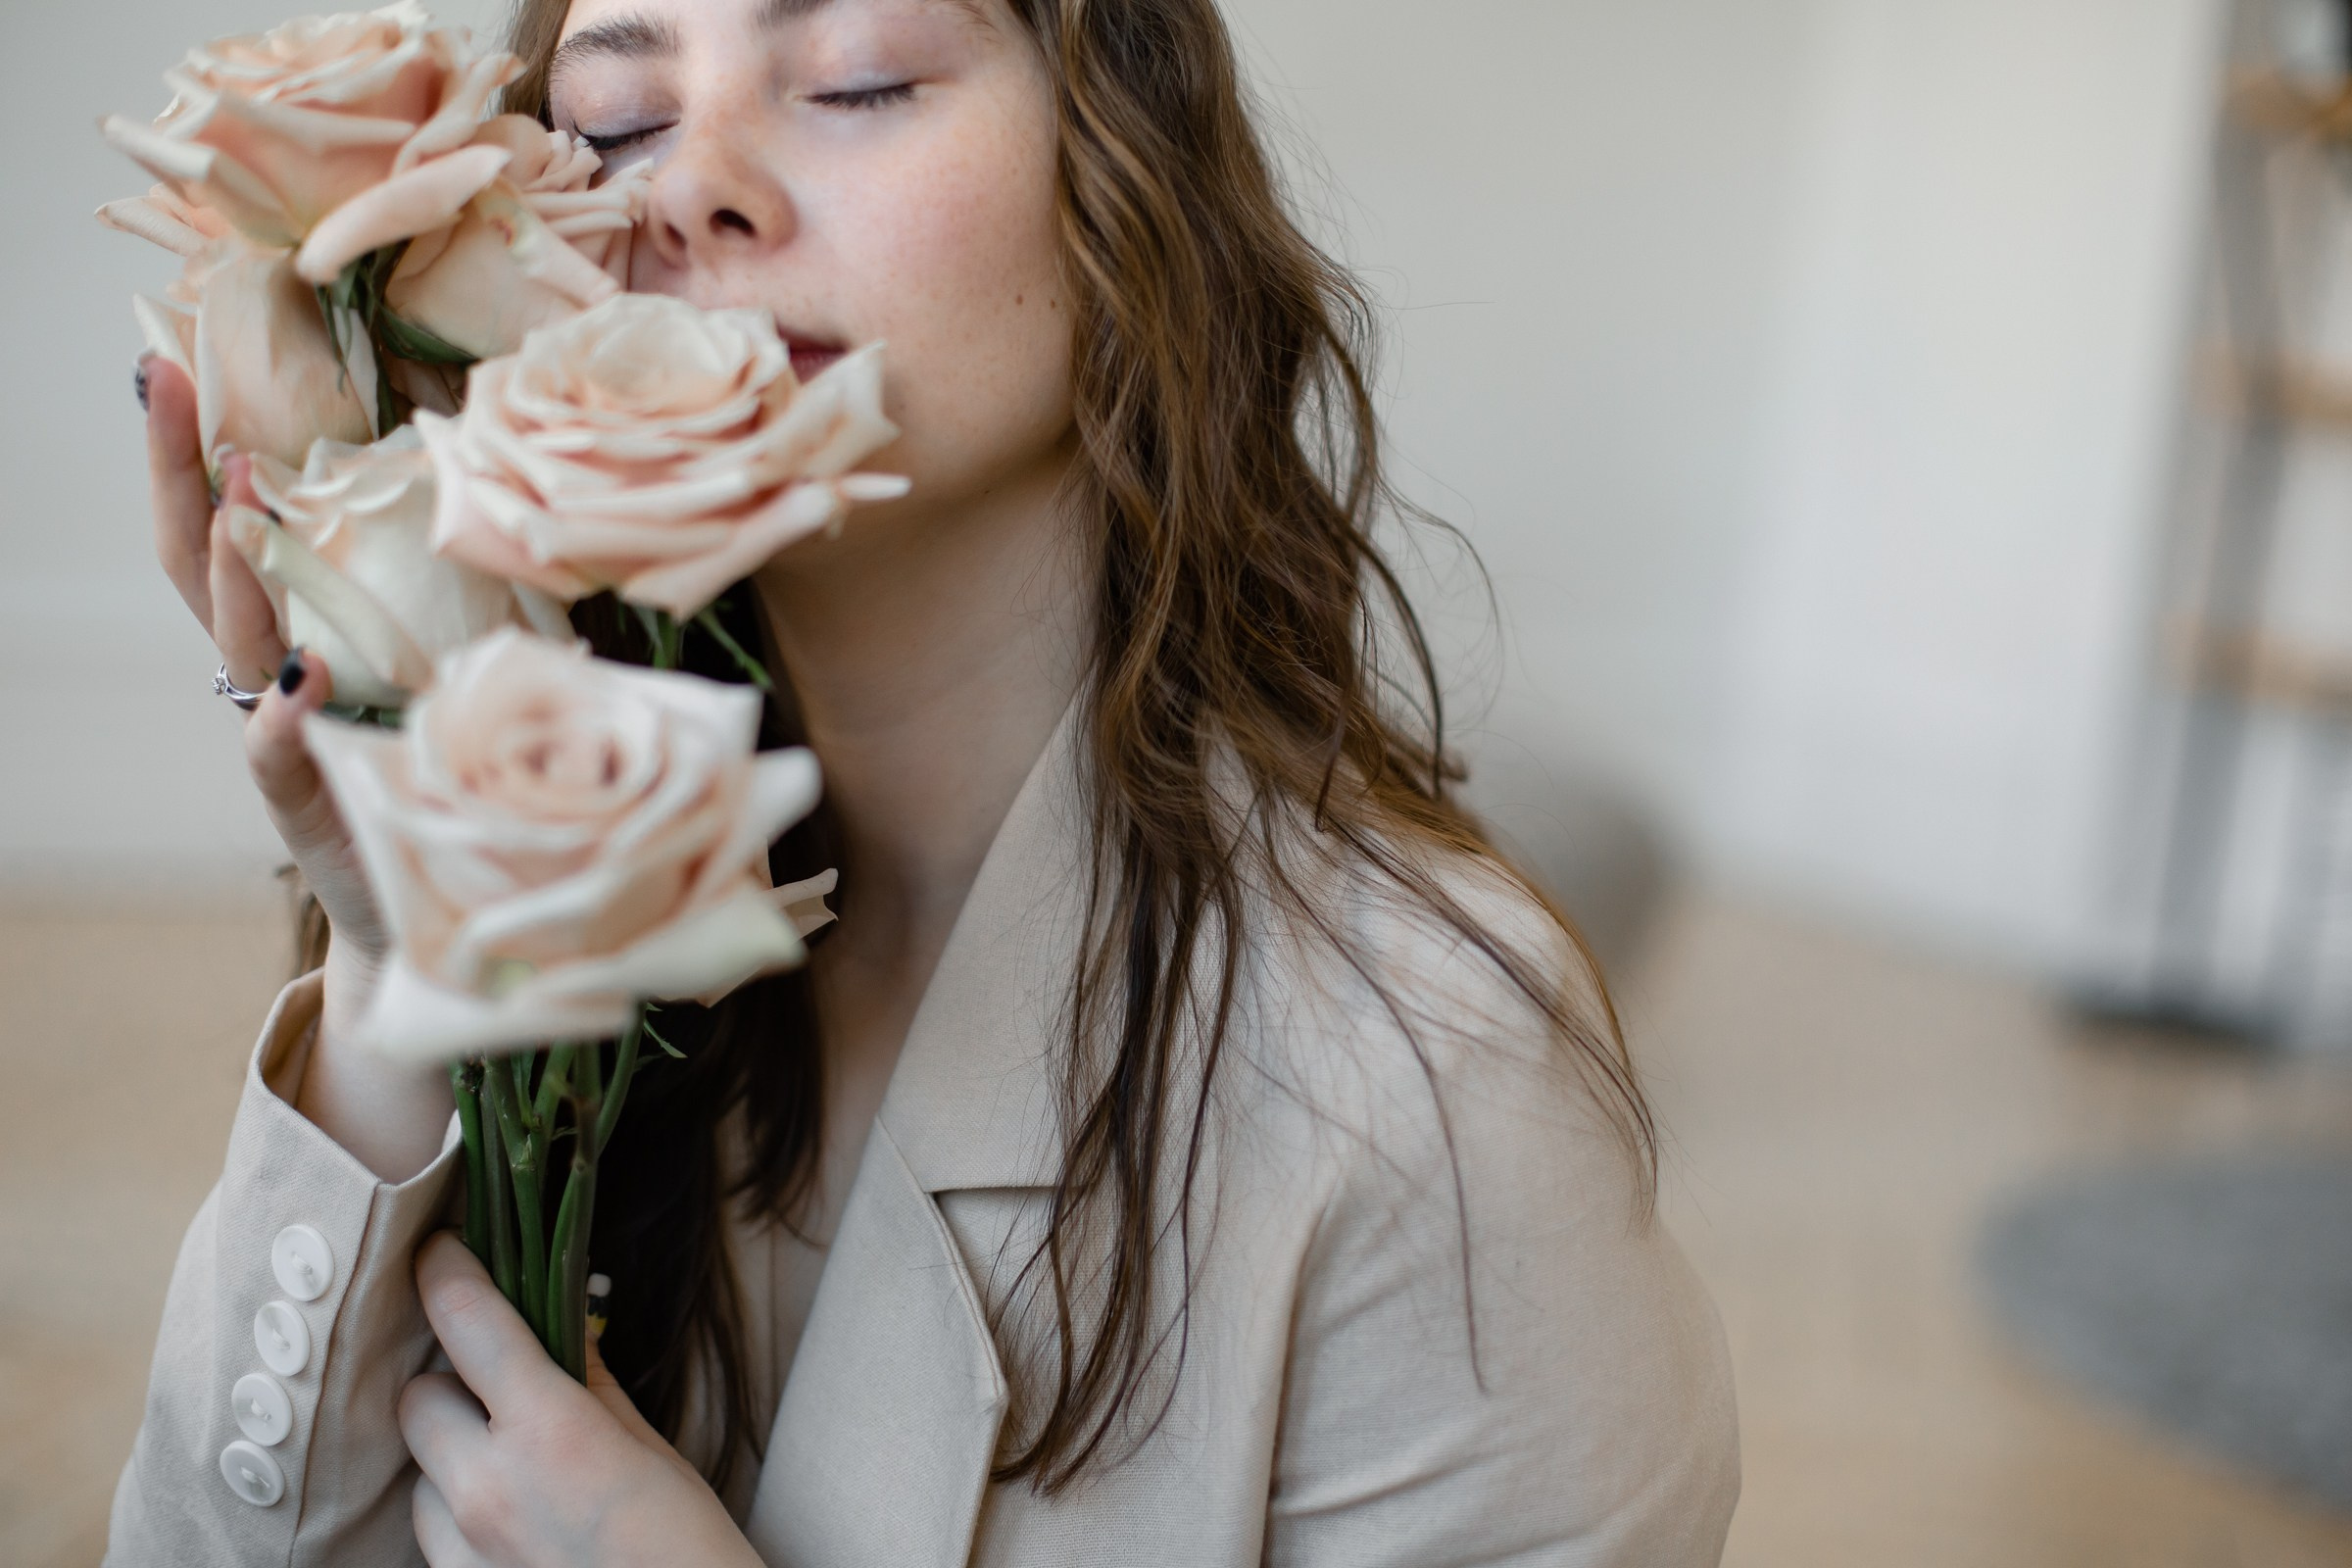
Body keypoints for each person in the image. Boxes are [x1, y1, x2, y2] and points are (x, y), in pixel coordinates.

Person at [106, 0, 1740, 1562]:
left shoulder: (1435, 1086)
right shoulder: (565, 940)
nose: (693, 188)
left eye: (863, 78)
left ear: (1125, 176)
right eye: (616, 120)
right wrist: (407, 958)